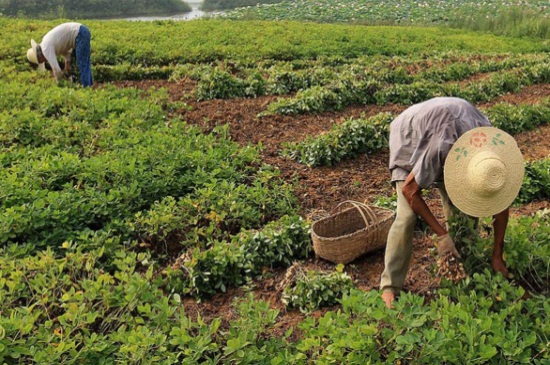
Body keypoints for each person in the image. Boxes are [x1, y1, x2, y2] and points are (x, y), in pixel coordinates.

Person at [379, 97, 525, 308]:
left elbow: (501, 209)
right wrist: (442, 235)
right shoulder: (441, 148)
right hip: (409, 137)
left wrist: (497, 256)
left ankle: (461, 262)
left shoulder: (491, 160)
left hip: (449, 127)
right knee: (407, 217)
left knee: (462, 213)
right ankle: (390, 286)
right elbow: (410, 191)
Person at [26, 22, 93, 87]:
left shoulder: (46, 49)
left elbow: (56, 70)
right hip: (79, 32)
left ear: (39, 56)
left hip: (80, 33)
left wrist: (59, 83)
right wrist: (67, 64)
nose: (45, 61)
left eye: (41, 61)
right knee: (76, 65)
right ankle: (86, 84)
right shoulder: (47, 44)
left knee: (82, 64)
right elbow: (65, 51)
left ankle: (87, 88)